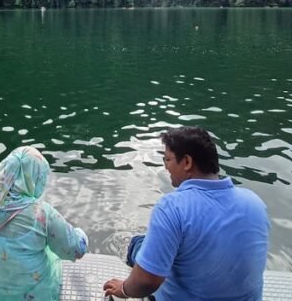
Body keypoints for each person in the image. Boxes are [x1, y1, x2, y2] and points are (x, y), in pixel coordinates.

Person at [103, 126, 270, 301]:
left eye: (168, 159)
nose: (166, 167)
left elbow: (147, 281)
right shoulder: (255, 203)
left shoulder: (172, 208)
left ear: (187, 162)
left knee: (138, 244)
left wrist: (123, 289)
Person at [0, 146, 88, 301]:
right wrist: (82, 234)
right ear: (36, 178)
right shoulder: (42, 214)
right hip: (29, 296)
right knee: (52, 256)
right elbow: (76, 249)